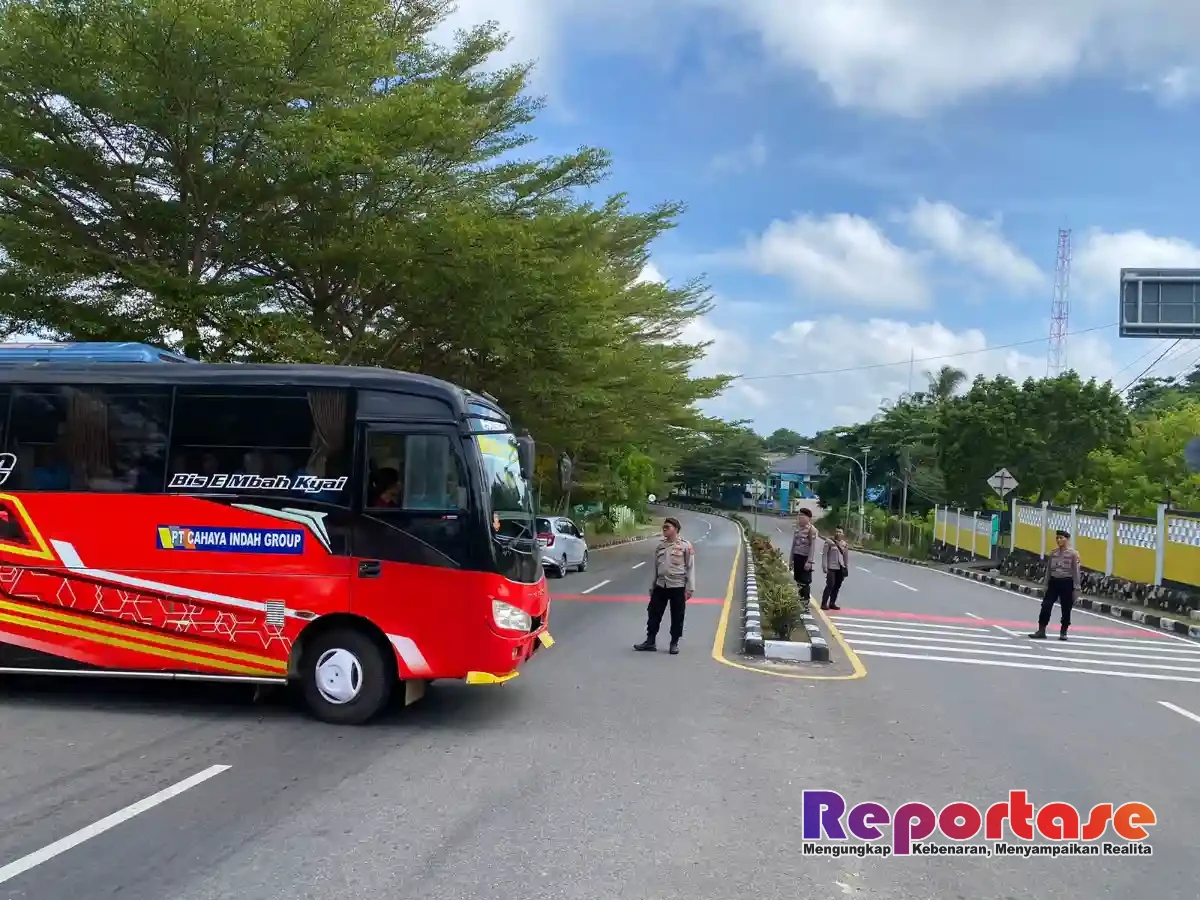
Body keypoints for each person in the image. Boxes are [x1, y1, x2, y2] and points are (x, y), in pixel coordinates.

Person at [634, 517, 695, 655]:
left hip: (678, 585)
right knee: (653, 613)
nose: (664, 529)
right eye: (664, 527)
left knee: (677, 616)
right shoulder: (660, 546)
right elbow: (656, 568)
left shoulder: (685, 546)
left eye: (668, 527)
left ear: (676, 529)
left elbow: (690, 567)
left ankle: (674, 643)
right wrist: (652, 585)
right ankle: (650, 641)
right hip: (660, 585)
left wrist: (690, 588)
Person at [1029, 529, 1081, 641]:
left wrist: (1077, 588)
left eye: (1061, 538)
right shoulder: (1053, 553)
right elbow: (1048, 570)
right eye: (1057, 538)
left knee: (1066, 608)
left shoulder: (1073, 554)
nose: (1058, 540)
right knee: (1046, 605)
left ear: (1067, 539)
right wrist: (1045, 584)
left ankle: (1063, 631)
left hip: (1067, 583)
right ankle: (1041, 630)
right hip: (1053, 582)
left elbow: (1076, 572)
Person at [791, 508, 819, 604]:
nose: (799, 517)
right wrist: (791, 560)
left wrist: (809, 561)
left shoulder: (812, 530)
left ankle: (806, 600)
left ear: (808, 518)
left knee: (805, 581)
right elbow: (793, 546)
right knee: (798, 579)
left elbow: (812, 547)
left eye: (802, 516)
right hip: (797, 557)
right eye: (799, 515)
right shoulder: (798, 529)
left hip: (805, 558)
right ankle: (800, 599)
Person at [820, 527, 849, 610]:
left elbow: (845, 557)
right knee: (830, 585)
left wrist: (846, 567)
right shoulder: (829, 541)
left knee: (837, 586)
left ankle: (832, 603)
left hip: (840, 568)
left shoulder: (844, 544)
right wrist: (824, 566)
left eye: (840, 532)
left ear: (843, 534)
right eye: (837, 531)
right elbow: (824, 555)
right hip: (831, 567)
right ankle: (824, 603)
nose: (838, 533)